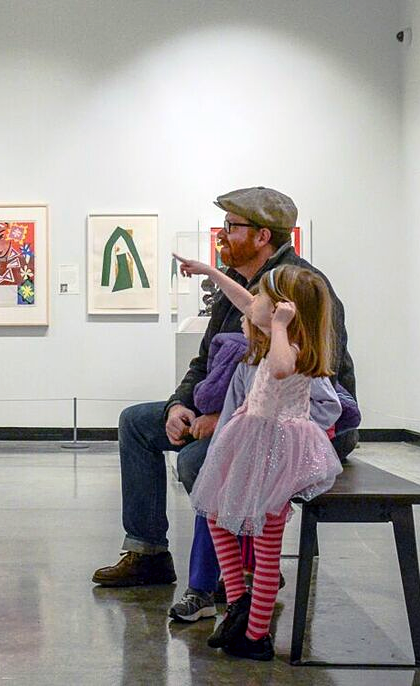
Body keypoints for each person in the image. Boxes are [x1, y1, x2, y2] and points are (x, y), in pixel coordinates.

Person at [93, 186, 356, 612]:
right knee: (136, 423)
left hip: (291, 424)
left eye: (232, 228)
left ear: (262, 236)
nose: (223, 235)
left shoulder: (300, 285)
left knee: (198, 461)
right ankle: (148, 553)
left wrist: (225, 416)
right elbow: (205, 359)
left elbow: (319, 373)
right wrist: (181, 405)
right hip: (236, 409)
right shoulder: (236, 284)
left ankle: (235, 573)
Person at [177, 258, 343, 661]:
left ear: (286, 309)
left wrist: (282, 326)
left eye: (267, 298)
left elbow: (284, 368)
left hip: (276, 452)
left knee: (267, 546)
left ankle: (255, 635)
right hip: (250, 440)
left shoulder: (292, 349)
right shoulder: (272, 330)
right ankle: (238, 606)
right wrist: (209, 272)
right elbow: (243, 300)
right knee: (217, 517)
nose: (255, 304)